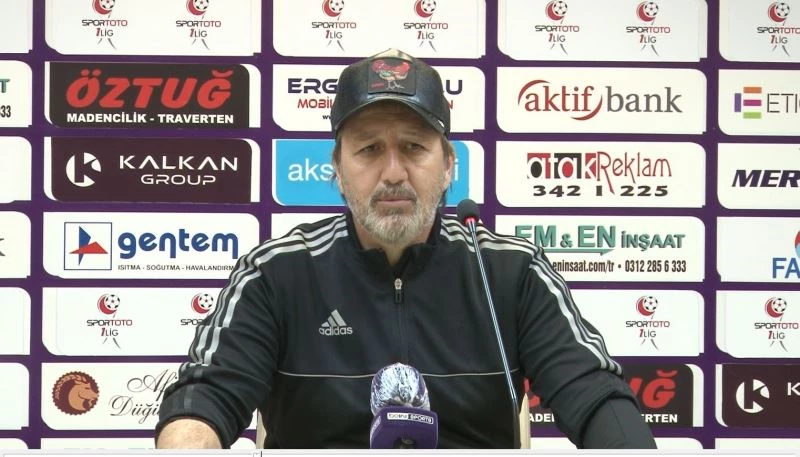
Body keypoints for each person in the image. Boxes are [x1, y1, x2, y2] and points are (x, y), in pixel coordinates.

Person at [155, 48, 657, 449]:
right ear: (337, 168)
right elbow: (207, 397)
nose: (393, 172)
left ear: (449, 164)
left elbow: (594, 393)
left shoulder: (511, 272)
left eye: (414, 147)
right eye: (369, 149)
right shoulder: (276, 273)